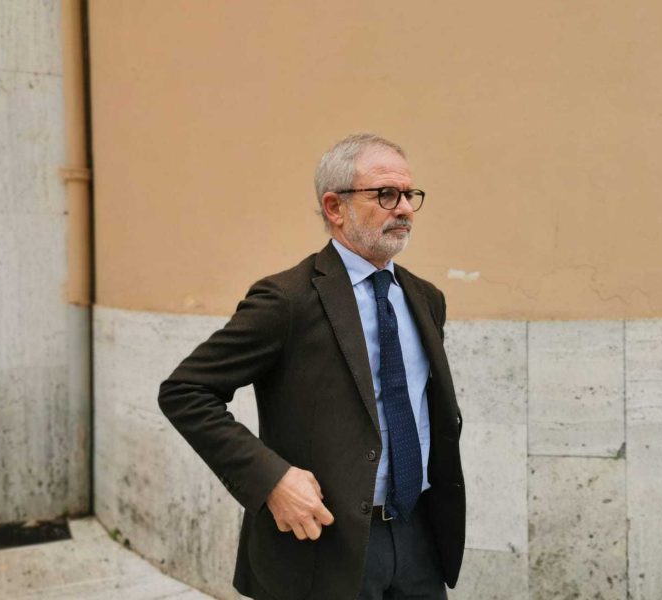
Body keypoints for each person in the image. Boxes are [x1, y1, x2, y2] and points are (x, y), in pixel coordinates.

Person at [158, 133, 465, 600]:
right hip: (324, 546)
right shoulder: (287, 300)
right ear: (335, 207)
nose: (404, 208)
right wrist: (272, 479)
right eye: (386, 194)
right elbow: (185, 390)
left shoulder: (426, 299)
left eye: (409, 194)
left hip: (419, 536)